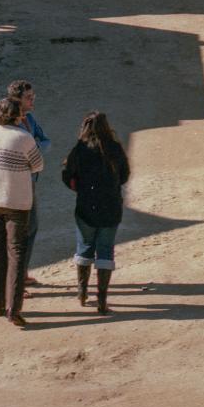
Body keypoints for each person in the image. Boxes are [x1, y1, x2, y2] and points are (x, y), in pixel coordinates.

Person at [0, 95, 42, 327]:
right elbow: (38, 164)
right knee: (16, 253)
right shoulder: (23, 137)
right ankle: (13, 309)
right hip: (16, 201)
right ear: (17, 116)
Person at [61, 111, 130, 315]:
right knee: (105, 250)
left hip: (86, 207)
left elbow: (67, 175)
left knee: (85, 247)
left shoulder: (79, 150)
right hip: (111, 207)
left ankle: (82, 293)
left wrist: (81, 189)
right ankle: (102, 300)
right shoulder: (115, 149)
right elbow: (125, 175)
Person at [8, 78, 48, 288]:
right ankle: (15, 281)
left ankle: (21, 273)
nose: (33, 101)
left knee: (31, 227)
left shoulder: (30, 120)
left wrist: (33, 149)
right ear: (17, 99)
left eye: (33, 97)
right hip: (15, 184)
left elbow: (45, 140)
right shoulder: (7, 122)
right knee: (18, 232)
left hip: (30, 181)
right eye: (29, 97)